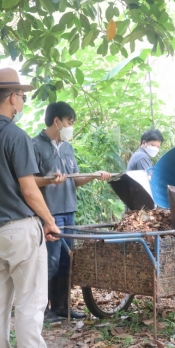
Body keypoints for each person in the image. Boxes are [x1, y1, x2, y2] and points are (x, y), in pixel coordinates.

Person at [0, 68, 60, 348]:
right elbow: (29, 190)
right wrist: (50, 221)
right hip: (20, 229)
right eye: (21, 96)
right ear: (11, 98)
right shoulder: (16, 136)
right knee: (31, 304)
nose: (22, 102)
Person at [32, 101, 111, 323]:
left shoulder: (67, 147)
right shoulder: (34, 145)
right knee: (49, 262)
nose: (70, 127)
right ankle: (42, 310)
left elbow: (74, 180)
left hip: (69, 211)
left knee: (67, 262)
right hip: (49, 213)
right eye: (69, 122)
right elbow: (28, 183)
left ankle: (61, 307)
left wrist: (95, 175)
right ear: (56, 121)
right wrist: (49, 180)